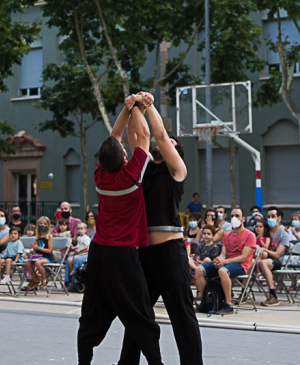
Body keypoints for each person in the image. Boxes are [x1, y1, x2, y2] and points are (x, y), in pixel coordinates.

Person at [117, 92, 202, 365]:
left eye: (169, 145)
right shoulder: (144, 169)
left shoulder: (177, 171)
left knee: (181, 315)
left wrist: (149, 105)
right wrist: (132, 109)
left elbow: (162, 136)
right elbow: (136, 139)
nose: (160, 145)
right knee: (138, 315)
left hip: (170, 252)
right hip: (144, 253)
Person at [78, 98, 163, 365]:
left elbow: (113, 137)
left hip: (98, 253)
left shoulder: (100, 176)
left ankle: (84, 362)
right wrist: (138, 105)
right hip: (122, 256)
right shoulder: (130, 177)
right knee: (139, 312)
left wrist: (126, 109)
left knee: (92, 311)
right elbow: (146, 135)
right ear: (125, 158)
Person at [208, 209, 256, 316]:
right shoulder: (227, 235)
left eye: (237, 216)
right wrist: (219, 260)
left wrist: (224, 262)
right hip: (227, 262)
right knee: (200, 269)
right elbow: (223, 253)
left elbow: (244, 257)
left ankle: (228, 305)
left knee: (223, 271)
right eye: (232, 216)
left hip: (241, 265)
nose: (234, 218)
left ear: (243, 218)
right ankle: (205, 303)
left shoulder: (250, 235)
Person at [254, 206, 291, 306]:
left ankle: (273, 295)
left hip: (277, 261)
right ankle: (243, 294)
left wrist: (265, 250)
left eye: (273, 216)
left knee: (262, 262)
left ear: (279, 218)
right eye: (268, 216)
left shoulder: (284, 234)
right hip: (262, 257)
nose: (270, 218)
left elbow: (278, 254)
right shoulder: (266, 231)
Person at [24, 216, 54, 292]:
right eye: (40, 224)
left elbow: (49, 250)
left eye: (44, 224)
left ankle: (45, 279)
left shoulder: (49, 236)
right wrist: (34, 247)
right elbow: (37, 250)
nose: (42, 225)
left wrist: (38, 248)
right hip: (39, 256)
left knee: (37, 263)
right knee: (28, 263)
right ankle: (35, 279)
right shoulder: (37, 236)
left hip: (48, 258)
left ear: (48, 225)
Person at [65, 223, 91, 289]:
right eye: (78, 229)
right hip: (78, 251)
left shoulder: (86, 238)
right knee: (69, 259)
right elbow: (78, 245)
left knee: (75, 258)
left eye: (81, 229)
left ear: (85, 230)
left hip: (84, 252)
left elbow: (87, 247)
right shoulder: (79, 238)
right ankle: (71, 273)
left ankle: (74, 269)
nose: (79, 230)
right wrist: (74, 248)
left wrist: (79, 250)